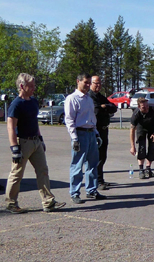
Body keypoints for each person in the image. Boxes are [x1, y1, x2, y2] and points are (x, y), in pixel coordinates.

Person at [5, 73, 66, 213]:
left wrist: (41, 139)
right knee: (16, 174)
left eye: (34, 86)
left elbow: (34, 123)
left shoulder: (33, 101)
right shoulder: (16, 104)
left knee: (43, 171)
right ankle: (11, 203)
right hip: (23, 143)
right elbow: (11, 127)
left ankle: (48, 202)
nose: (33, 88)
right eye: (30, 86)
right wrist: (14, 148)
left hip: (35, 141)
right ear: (22, 86)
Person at [65, 73, 107, 204]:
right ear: (78, 81)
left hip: (90, 133)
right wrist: (74, 138)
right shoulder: (72, 99)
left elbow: (91, 119)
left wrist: (96, 133)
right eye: (86, 82)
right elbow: (69, 120)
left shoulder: (89, 99)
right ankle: (75, 192)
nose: (88, 85)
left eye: (89, 83)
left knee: (92, 164)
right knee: (77, 165)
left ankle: (91, 190)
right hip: (80, 133)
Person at [89, 75, 117, 190]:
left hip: (104, 130)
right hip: (96, 130)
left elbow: (114, 107)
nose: (98, 85)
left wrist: (105, 106)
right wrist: (105, 108)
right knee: (96, 157)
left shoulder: (100, 96)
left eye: (100, 83)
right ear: (91, 83)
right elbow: (96, 110)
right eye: (96, 83)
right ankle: (96, 182)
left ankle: (100, 179)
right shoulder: (90, 96)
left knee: (103, 156)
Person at [130, 97, 154, 179]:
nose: (146, 108)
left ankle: (148, 168)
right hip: (141, 127)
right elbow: (132, 131)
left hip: (152, 126)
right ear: (139, 107)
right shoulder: (136, 114)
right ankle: (141, 170)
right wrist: (132, 147)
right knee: (142, 147)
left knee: (152, 146)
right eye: (144, 107)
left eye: (147, 106)